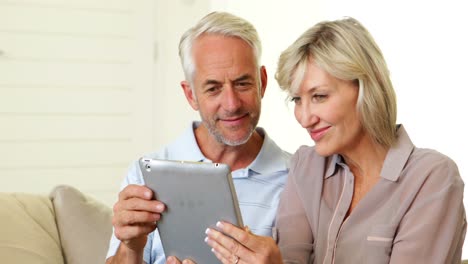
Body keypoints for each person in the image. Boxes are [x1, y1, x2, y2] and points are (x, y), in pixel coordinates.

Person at [198, 17, 466, 264]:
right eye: (297, 100)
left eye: (319, 96)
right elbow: (291, 259)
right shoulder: (307, 166)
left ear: (365, 88)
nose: (304, 118)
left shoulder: (431, 178)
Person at [104, 11, 290, 264]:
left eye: (243, 83)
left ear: (262, 82)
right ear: (191, 95)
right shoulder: (145, 173)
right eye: (213, 88)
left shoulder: (298, 178)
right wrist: (131, 248)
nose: (232, 104)